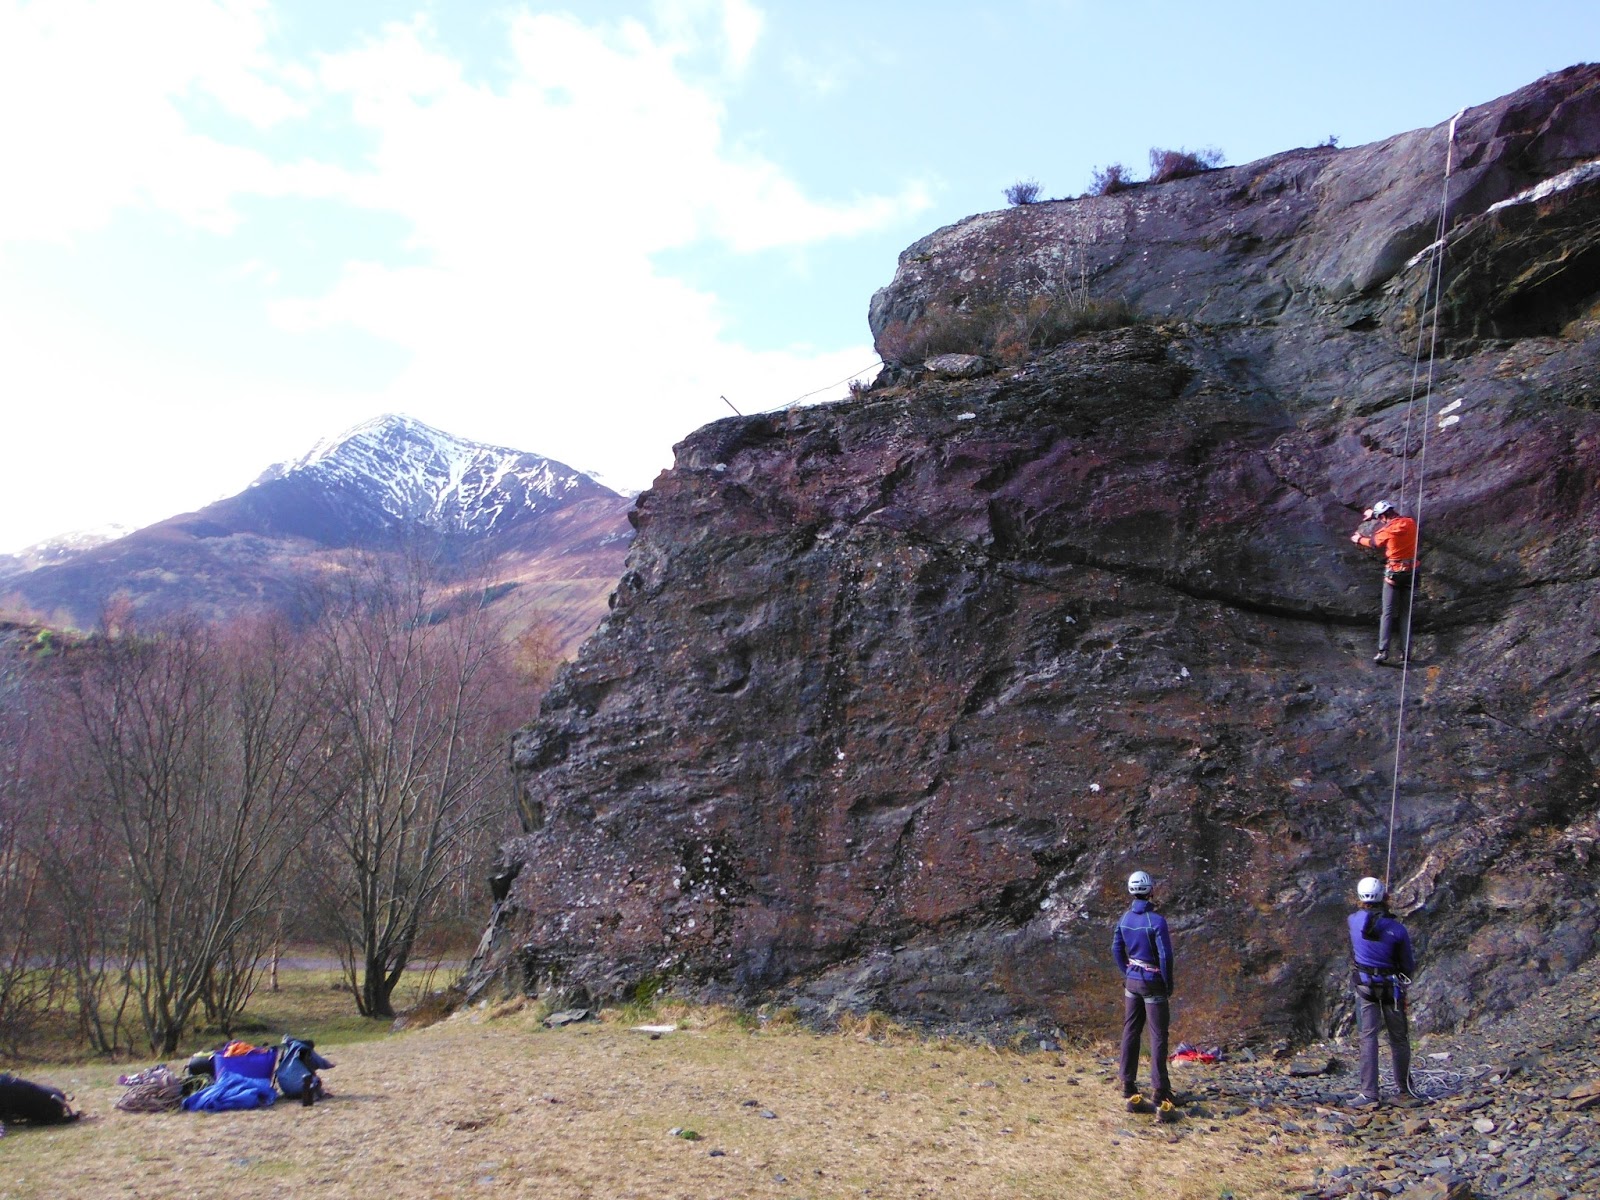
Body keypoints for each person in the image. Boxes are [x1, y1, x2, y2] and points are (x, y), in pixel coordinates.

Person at [1346, 876, 1417, 1109]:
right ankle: (1405, 1089)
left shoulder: (1353, 921)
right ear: (1383, 896)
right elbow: (1407, 963)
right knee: (1398, 1038)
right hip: (1392, 988)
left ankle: (1368, 1093)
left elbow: (1369, 925)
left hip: (1365, 986)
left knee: (1368, 1037)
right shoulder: (1397, 929)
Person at [1112, 870, 1174, 1110]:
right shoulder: (1157, 921)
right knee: (1158, 1035)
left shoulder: (1124, 919)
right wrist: (1167, 983)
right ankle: (1161, 1091)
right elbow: (1165, 956)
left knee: (1131, 1030)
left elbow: (1116, 949)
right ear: (1150, 890)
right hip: (1152, 980)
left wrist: (1126, 970)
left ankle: (1127, 1083)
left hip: (1132, 979)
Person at [1350, 500, 1418, 664]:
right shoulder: (1410, 523)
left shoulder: (1387, 531)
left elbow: (1374, 543)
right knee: (1405, 614)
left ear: (1383, 516)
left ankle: (1383, 651)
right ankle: (1406, 653)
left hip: (1394, 575)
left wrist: (1358, 539)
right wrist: (1373, 514)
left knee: (1387, 612)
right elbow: (1390, 519)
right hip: (1411, 572)